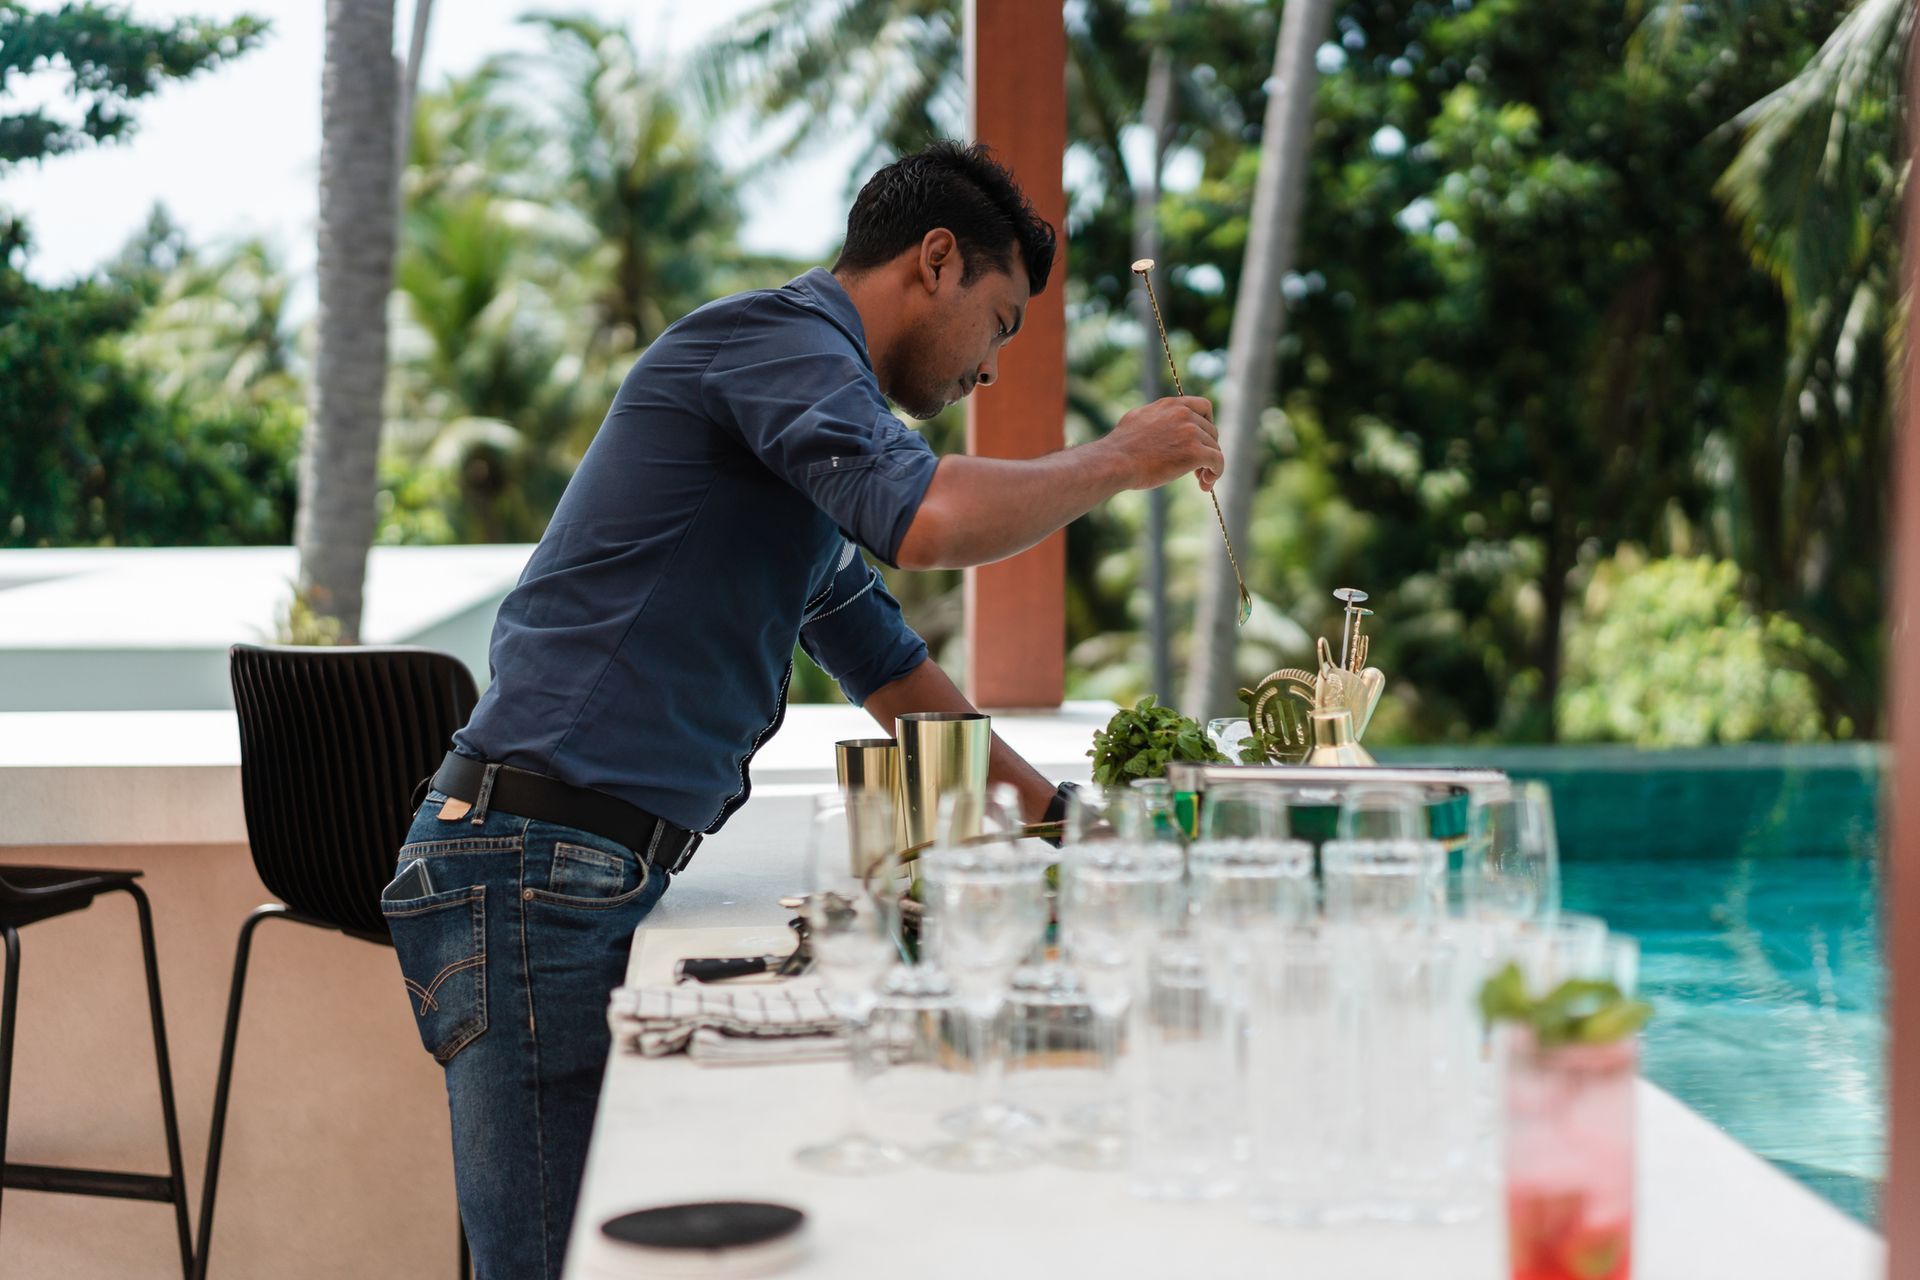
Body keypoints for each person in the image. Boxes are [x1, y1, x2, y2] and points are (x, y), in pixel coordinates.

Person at [380, 139, 1223, 1279]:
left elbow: (886, 665)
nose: (992, 370)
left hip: (569, 864)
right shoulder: (776, 342)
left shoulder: (800, 428)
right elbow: (923, 518)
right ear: (935, 262)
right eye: (1002, 321)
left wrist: (1060, 816)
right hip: (535, 864)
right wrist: (1121, 457)